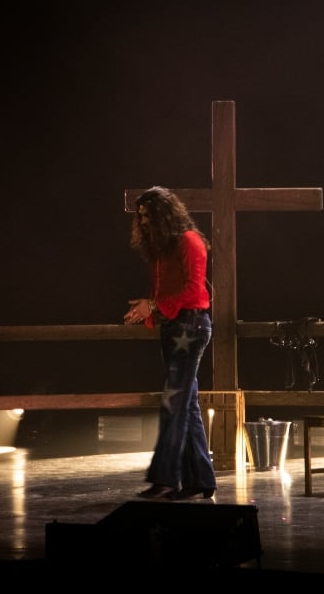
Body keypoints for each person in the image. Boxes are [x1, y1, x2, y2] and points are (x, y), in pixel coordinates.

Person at [123, 186, 217, 500]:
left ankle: (166, 478)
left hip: (190, 326)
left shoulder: (190, 241)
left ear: (165, 215)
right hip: (174, 327)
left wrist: (154, 306)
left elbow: (193, 291)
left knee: (174, 401)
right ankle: (201, 479)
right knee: (186, 404)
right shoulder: (162, 248)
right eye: (141, 217)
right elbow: (165, 294)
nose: (144, 222)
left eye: (149, 216)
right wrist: (150, 307)